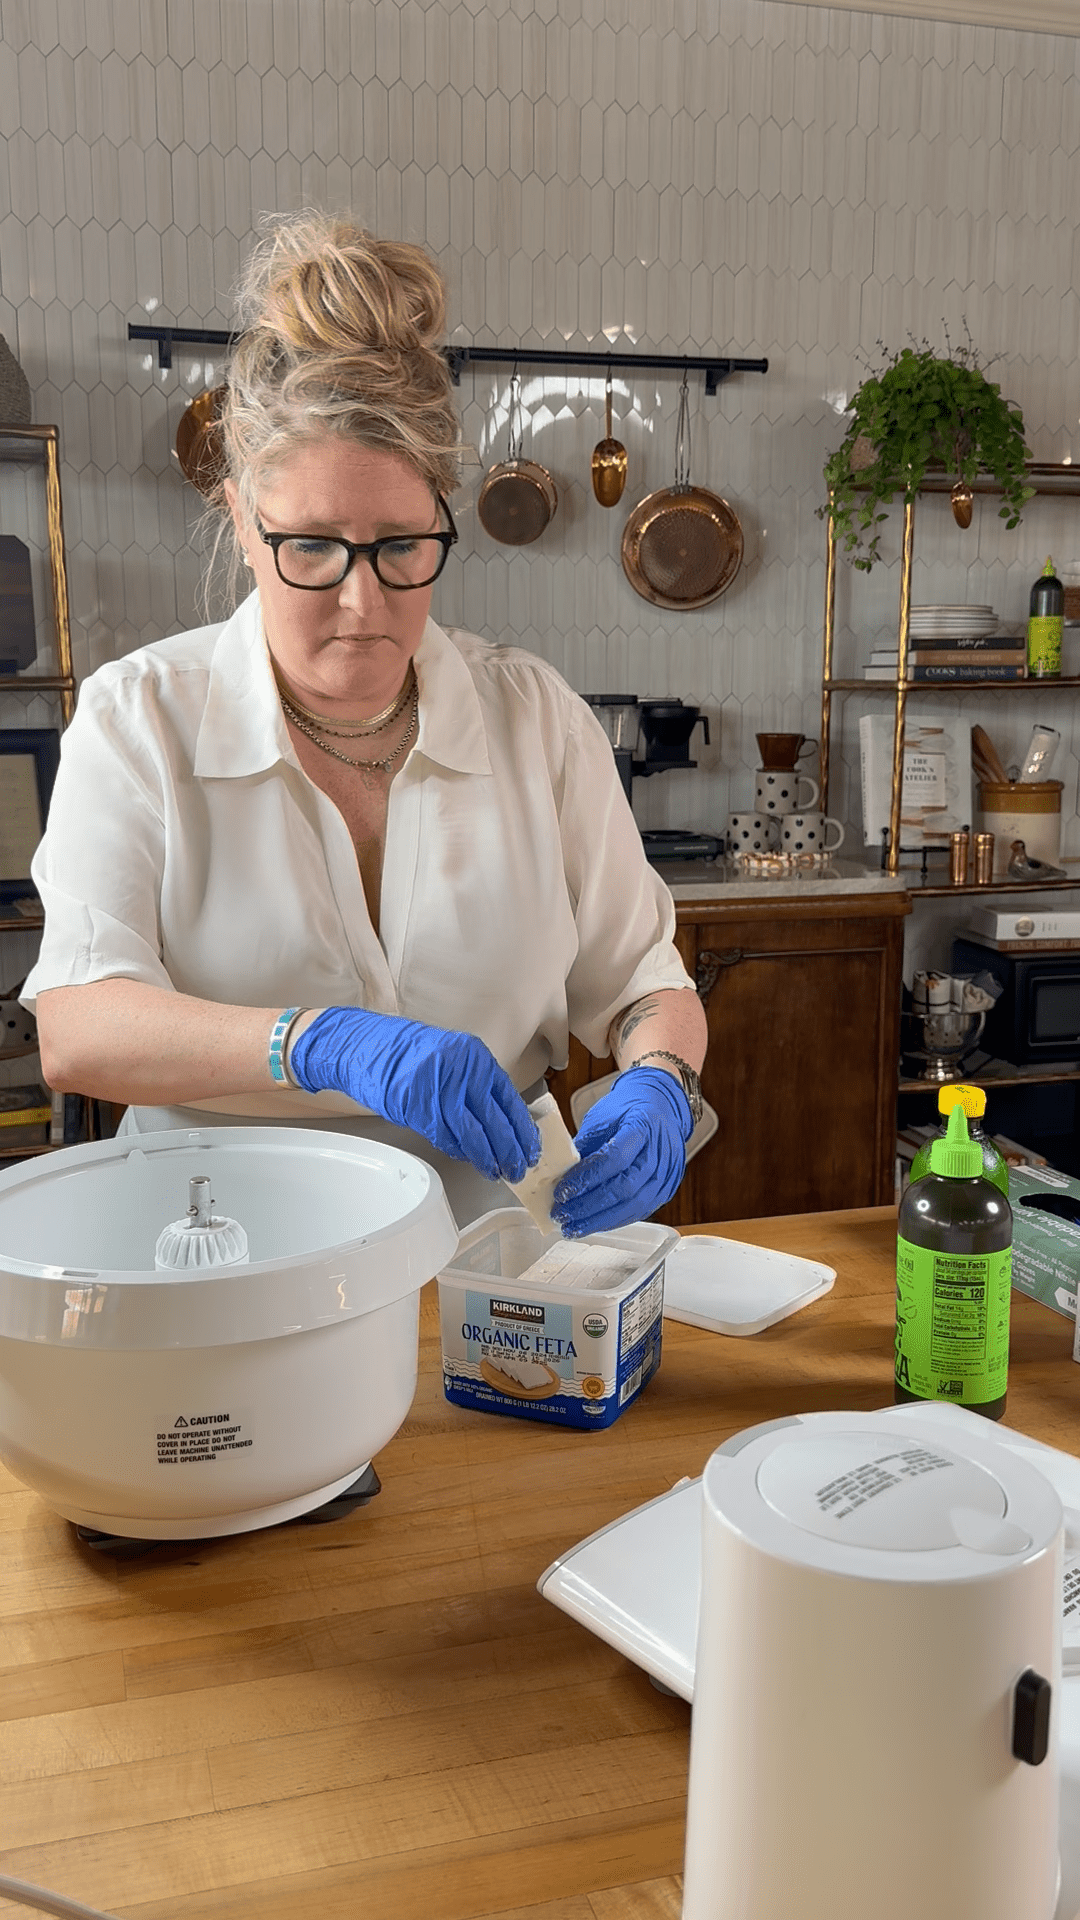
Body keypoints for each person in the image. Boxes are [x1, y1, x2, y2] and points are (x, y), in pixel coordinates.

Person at [23, 212, 707, 1235]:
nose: (361, 601)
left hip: (490, 1240)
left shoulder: (536, 719)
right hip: (214, 1236)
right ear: (240, 518)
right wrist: (316, 1044)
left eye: (400, 547)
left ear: (442, 514)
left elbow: (644, 982)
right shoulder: (139, 719)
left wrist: (659, 1079)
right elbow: (80, 1027)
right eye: (311, 547)